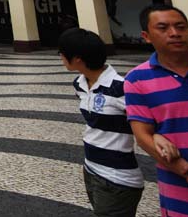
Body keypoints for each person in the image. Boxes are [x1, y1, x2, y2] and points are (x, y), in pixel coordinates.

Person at [58, 27, 144, 217]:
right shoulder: (80, 84)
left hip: (117, 178)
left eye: (62, 53)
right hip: (91, 169)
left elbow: (148, 122)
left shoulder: (120, 88)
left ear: (78, 58)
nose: (60, 57)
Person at [125, 4, 188, 216]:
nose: (175, 33)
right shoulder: (137, 79)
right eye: (163, 28)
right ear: (146, 36)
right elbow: (143, 136)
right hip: (179, 193)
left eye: (180, 27)